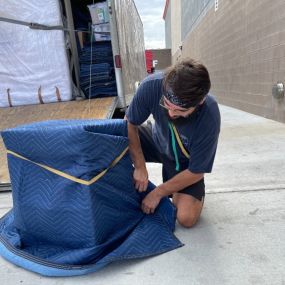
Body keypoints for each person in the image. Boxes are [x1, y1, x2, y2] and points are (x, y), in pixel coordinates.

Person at [125, 58, 221, 228]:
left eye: (180, 110)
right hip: (156, 140)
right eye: (167, 105)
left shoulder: (209, 116)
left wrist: (157, 193)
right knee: (112, 138)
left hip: (184, 161)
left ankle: (189, 193)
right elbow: (129, 123)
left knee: (185, 218)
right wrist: (139, 166)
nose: (170, 113)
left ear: (200, 102)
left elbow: (196, 171)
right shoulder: (152, 86)